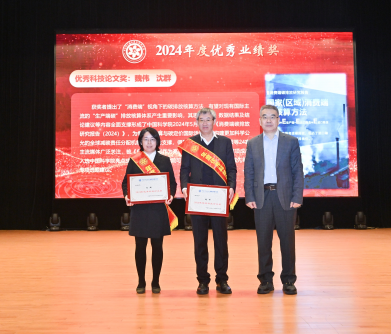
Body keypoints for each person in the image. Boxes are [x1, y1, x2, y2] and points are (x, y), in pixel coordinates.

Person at [244, 105, 304, 295]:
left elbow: (297, 171)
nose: (268, 120)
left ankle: (289, 280)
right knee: (263, 241)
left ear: (278, 120)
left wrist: (297, 196)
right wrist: (249, 196)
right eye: (265, 117)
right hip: (261, 197)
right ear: (260, 121)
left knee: (287, 241)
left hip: (285, 197)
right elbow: (249, 172)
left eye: (272, 116)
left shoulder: (291, 141)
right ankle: (265, 280)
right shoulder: (252, 143)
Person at [179, 107, 237, 295]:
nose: (205, 123)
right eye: (201, 120)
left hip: (219, 199)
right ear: (197, 122)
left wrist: (232, 187)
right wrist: (185, 187)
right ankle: (202, 281)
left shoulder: (225, 142)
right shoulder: (191, 144)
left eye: (208, 119)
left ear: (214, 121)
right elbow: (184, 169)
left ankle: (222, 280)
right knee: (200, 242)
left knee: (221, 241)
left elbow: (231, 169)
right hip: (197, 200)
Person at [122, 127, 177, 294]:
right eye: (145, 139)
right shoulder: (134, 160)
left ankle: (155, 282)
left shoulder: (164, 160)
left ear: (157, 142)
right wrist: (127, 195)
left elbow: (172, 183)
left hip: (158, 210)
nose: (149, 142)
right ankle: (141, 281)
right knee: (140, 246)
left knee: (157, 246)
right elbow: (125, 183)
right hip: (139, 210)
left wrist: (171, 195)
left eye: (152, 139)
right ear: (140, 142)